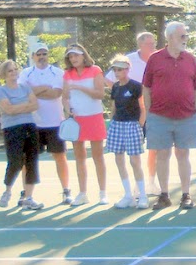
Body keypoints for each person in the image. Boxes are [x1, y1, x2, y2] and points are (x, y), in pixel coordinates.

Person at [142, 21, 196, 210]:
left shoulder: (191, 59)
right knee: (162, 154)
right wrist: (150, 111)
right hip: (159, 117)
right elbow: (146, 87)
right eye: (182, 36)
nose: (185, 40)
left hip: (186, 116)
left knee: (183, 154)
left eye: (186, 36)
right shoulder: (155, 59)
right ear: (170, 38)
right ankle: (164, 195)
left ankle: (186, 194)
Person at [104, 31, 159, 193]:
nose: (154, 46)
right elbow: (109, 80)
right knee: (132, 155)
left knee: (154, 148)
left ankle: (151, 182)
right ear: (141, 44)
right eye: (150, 44)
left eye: (154, 43)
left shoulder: (158, 59)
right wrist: (123, 98)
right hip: (131, 118)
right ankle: (134, 188)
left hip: (154, 111)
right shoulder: (129, 60)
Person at [19, 46, 71, 204]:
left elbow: (55, 93)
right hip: (32, 123)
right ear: (33, 56)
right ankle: (26, 194)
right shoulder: (25, 73)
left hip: (55, 123)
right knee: (28, 159)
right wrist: (43, 88)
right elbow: (22, 93)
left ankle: (66, 191)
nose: (42, 57)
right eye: (38, 54)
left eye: (44, 54)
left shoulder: (57, 72)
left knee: (60, 157)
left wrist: (33, 90)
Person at [0, 59, 45, 211]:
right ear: (4, 74)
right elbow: (8, 110)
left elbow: (35, 105)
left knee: (31, 161)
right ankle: (7, 191)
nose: (14, 73)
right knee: (15, 162)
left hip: (30, 126)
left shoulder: (25, 87)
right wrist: (25, 106)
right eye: (10, 71)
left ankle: (28, 198)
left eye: (15, 69)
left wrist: (17, 106)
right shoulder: (1, 90)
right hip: (12, 129)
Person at [61, 43, 107, 205]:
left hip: (94, 117)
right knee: (79, 157)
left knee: (98, 156)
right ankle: (82, 194)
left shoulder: (95, 70)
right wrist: (68, 110)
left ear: (83, 55)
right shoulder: (67, 74)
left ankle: (102, 193)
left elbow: (100, 94)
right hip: (77, 120)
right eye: (70, 56)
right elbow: (65, 97)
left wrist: (80, 87)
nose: (73, 59)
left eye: (75, 55)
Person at [107, 55, 148, 209]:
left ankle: (142, 196)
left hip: (133, 125)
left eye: (120, 69)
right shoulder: (116, 87)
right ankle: (128, 195)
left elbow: (143, 108)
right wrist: (112, 122)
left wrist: (140, 125)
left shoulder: (136, 86)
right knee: (119, 159)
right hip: (117, 125)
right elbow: (114, 107)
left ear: (127, 69)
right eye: (115, 70)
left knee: (134, 161)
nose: (117, 72)